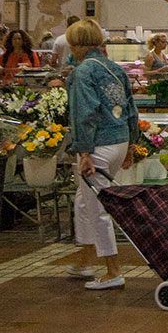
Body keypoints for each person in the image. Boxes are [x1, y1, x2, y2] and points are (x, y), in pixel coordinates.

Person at [65, 19, 139, 290]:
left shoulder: (82, 72)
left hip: (97, 145)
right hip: (119, 141)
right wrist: (131, 144)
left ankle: (113, 269)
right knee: (84, 201)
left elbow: (83, 113)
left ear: (77, 45)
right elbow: (131, 107)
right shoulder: (115, 68)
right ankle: (85, 260)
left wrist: (83, 151)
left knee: (98, 208)